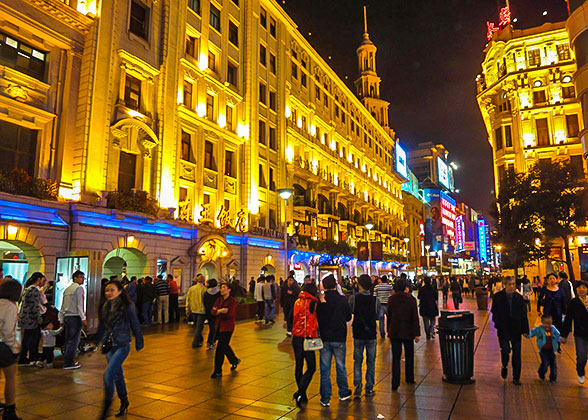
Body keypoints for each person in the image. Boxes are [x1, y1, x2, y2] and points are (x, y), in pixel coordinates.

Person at [96, 280, 144, 419]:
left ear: (119, 291)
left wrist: (139, 341)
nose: (108, 293)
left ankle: (106, 409)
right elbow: (102, 327)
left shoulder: (127, 307)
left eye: (112, 290)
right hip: (110, 345)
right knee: (117, 374)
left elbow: (135, 324)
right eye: (106, 290)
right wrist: (94, 341)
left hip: (123, 345)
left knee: (108, 374)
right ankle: (124, 401)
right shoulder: (104, 306)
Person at [317, 274, 352, 407]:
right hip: (339, 337)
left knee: (324, 368)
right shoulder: (342, 299)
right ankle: (343, 392)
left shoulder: (321, 299)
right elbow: (348, 317)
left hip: (325, 338)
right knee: (340, 365)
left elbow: (318, 316)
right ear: (335, 285)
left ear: (325, 286)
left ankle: (325, 398)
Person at [491, 276, 529, 385]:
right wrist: (497, 323)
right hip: (503, 329)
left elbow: (523, 314)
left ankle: (516, 377)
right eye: (509, 284)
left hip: (516, 329)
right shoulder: (498, 297)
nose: (512, 286)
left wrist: (525, 330)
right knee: (505, 350)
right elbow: (494, 312)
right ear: (504, 285)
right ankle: (504, 365)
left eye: (513, 284)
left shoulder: (519, 298)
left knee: (517, 353)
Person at [348, 274, 379, 399]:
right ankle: (369, 387)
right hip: (371, 333)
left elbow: (349, 312)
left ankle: (357, 384)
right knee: (371, 361)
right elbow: (378, 315)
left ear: (359, 284)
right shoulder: (375, 300)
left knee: (358, 360)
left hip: (358, 332)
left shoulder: (354, 299)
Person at [387, 279, 420, 391]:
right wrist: (417, 333)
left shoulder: (391, 299)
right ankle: (409, 378)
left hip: (395, 331)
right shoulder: (411, 299)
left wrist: (388, 330)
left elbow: (389, 316)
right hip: (408, 331)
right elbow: (415, 317)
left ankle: (395, 382)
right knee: (409, 355)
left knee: (396, 357)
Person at [291, 283, 319, 408]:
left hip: (296, 337)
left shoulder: (297, 301)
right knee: (312, 367)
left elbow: (291, 317)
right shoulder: (313, 303)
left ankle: (302, 394)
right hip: (308, 338)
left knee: (299, 365)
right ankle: (300, 392)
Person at [0, 278, 23, 420]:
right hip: (2, 346)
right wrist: (15, 348)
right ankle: (9, 410)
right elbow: (8, 332)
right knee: (10, 378)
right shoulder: (10, 306)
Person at [210, 283, 240, 378]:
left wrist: (219, 311)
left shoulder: (232, 301)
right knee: (224, 345)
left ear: (229, 290)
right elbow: (213, 311)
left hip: (227, 327)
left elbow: (230, 314)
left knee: (220, 349)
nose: (222, 290)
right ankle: (234, 360)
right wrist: (220, 310)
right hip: (218, 326)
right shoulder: (219, 300)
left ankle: (218, 371)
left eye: (224, 288)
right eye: (221, 288)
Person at [561, 281, 588, 384]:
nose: (582, 289)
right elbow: (568, 319)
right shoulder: (574, 302)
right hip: (580, 333)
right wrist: (564, 335)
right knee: (581, 355)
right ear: (576, 290)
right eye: (580, 287)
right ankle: (580, 372)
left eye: (584, 287)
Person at [58, 270, 86, 370]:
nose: (82, 279)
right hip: (75, 316)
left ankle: (67, 360)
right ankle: (69, 362)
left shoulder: (67, 289)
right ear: (75, 278)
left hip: (67, 316)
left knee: (68, 339)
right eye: (81, 277)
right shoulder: (79, 289)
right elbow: (80, 304)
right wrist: (83, 318)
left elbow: (62, 305)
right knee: (74, 340)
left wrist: (61, 318)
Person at [17, 272, 45, 366]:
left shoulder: (27, 288)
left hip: (26, 318)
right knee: (31, 339)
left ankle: (27, 357)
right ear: (38, 279)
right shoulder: (34, 290)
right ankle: (26, 357)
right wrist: (39, 318)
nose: (43, 282)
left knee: (28, 338)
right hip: (30, 319)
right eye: (42, 280)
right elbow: (34, 306)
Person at [526, 314, 560, 382]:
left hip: (552, 349)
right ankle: (541, 372)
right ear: (542, 322)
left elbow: (558, 335)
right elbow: (533, 332)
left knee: (553, 364)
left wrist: (561, 339)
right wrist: (528, 335)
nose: (547, 325)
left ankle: (553, 378)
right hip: (543, 349)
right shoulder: (539, 329)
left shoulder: (553, 329)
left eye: (549, 323)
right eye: (545, 323)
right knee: (545, 362)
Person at [186, 275, 207, 348]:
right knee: (199, 327)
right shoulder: (204, 289)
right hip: (201, 310)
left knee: (196, 326)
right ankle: (195, 342)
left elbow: (188, 299)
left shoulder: (191, 289)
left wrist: (187, 309)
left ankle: (200, 339)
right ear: (203, 281)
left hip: (193, 309)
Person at [204, 279, 220, 349]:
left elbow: (205, 302)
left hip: (208, 312)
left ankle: (211, 341)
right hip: (216, 311)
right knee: (215, 327)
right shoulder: (218, 293)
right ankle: (211, 341)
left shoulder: (206, 292)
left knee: (211, 327)